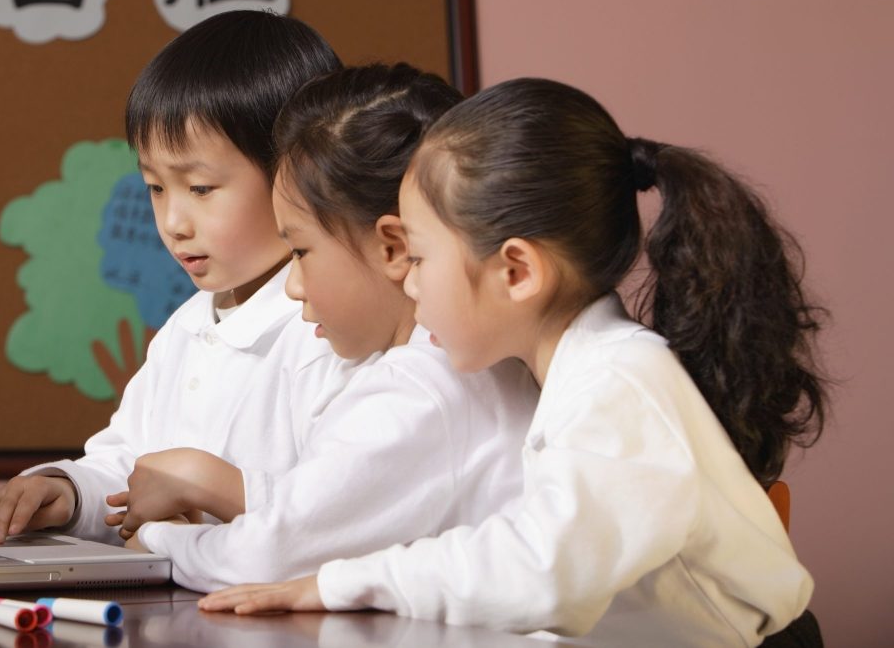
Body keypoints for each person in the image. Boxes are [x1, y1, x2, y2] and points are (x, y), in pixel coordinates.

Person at [201, 78, 826, 646]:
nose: (410, 286)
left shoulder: (617, 383)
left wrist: (339, 584)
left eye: (419, 259)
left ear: (517, 272)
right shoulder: (578, 372)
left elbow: (541, 570)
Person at [126, 64, 540, 592]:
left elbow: (274, 552)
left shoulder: (424, 386)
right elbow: (327, 508)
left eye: (300, 251)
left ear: (392, 246)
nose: (293, 286)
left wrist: (158, 543)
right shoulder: (434, 369)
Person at [0, 10, 350, 545]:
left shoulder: (334, 332)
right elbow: (131, 466)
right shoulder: (187, 327)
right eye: (155, 187)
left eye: (201, 188)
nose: (172, 223)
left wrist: (204, 497)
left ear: (296, 173)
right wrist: (68, 493)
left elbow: (340, 513)